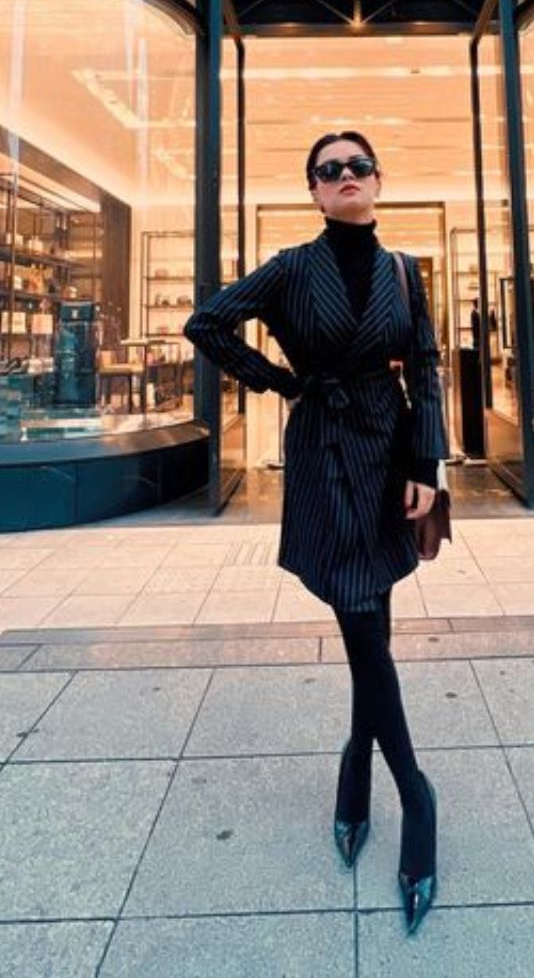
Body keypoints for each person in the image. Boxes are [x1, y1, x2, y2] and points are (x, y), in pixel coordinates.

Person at [184, 131, 448, 936]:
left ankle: (354, 768)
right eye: (328, 170)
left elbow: (426, 365)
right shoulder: (292, 267)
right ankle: (417, 796)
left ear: (378, 181)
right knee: (362, 617)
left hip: (389, 448)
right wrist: (281, 382)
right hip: (326, 449)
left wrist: (426, 462)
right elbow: (207, 324)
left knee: (374, 623)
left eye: (357, 166)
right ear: (314, 191)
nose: (345, 176)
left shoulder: (404, 270)